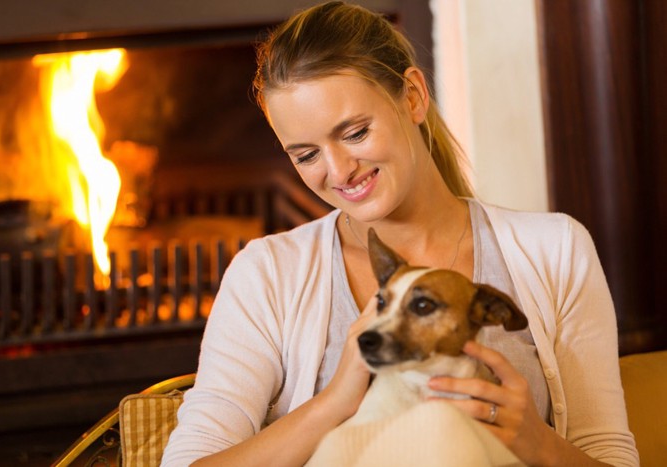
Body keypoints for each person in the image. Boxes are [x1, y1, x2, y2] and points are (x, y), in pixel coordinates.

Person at [161, 2, 639, 466]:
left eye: (354, 132)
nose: (340, 171)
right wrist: (334, 403)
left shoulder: (554, 251)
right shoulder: (268, 274)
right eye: (305, 155)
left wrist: (538, 443)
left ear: (412, 95)